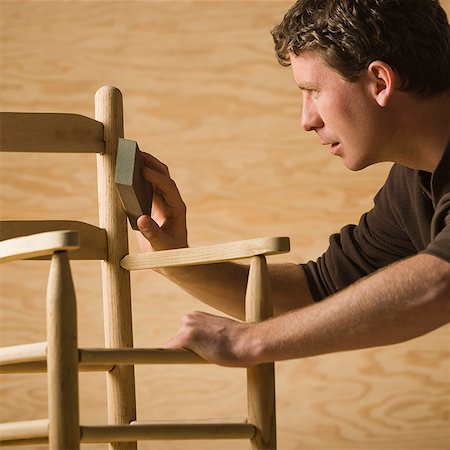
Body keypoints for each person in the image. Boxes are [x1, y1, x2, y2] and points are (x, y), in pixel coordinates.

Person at [136, 0, 450, 367]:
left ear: (380, 82)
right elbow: (321, 292)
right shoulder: (415, 182)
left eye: (312, 90)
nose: (306, 120)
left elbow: (442, 280)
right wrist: (178, 263)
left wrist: (248, 342)